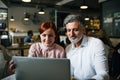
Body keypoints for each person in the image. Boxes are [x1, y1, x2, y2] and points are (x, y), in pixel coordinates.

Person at [63, 14, 109, 80]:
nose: (71, 34)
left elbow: (103, 74)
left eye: (75, 30)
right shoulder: (68, 49)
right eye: (69, 30)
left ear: (83, 30)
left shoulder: (96, 44)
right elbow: (70, 74)